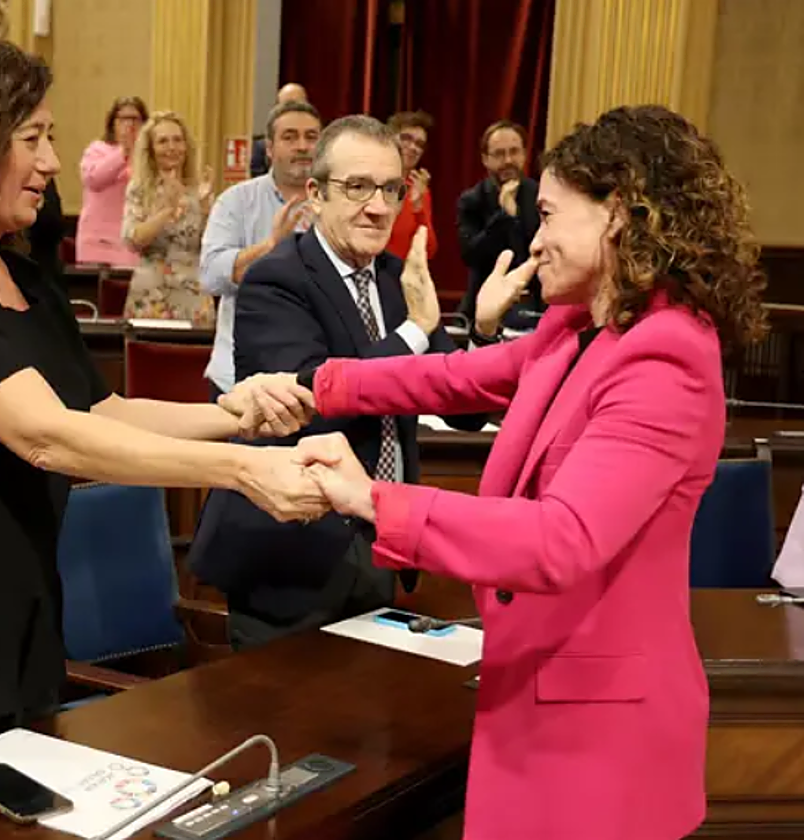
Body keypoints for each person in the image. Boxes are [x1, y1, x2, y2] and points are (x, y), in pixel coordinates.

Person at [0, 38, 327, 782]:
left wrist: (233, 413)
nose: (51, 161)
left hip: (15, 628)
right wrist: (242, 468)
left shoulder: (24, 280)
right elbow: (47, 436)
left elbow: (101, 408)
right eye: (32, 138)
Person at [289, 105, 767, 839]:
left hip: (601, 735)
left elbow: (561, 537)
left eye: (548, 216)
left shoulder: (666, 356)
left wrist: (372, 499)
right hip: (539, 695)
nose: (535, 241)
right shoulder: (578, 327)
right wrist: (316, 386)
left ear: (620, 216)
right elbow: (456, 377)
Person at [190, 116, 490, 650]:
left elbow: (465, 410)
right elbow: (313, 403)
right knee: (282, 725)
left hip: (380, 541)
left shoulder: (400, 279)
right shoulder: (276, 280)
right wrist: (414, 333)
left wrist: (483, 330)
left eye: (391, 189)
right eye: (356, 187)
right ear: (315, 194)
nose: (377, 206)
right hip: (293, 550)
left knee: (366, 724)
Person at [199, 99, 321, 399]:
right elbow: (211, 276)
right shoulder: (236, 202)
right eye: (290, 137)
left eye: (311, 137)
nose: (302, 146)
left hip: (316, 381)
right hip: (240, 380)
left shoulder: (339, 205)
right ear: (269, 148)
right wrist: (271, 248)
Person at [121, 111, 214, 325]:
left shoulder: (199, 188)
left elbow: (210, 246)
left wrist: (207, 209)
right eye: (163, 141)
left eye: (177, 140)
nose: (171, 147)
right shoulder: (139, 189)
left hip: (193, 294)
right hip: (151, 295)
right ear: (151, 150)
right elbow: (133, 239)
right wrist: (167, 211)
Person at [456, 119, 541, 334]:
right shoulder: (472, 200)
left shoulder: (541, 196)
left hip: (537, 307)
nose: (508, 160)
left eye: (514, 152)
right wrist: (504, 216)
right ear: (485, 159)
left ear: (524, 154)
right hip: (485, 307)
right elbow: (471, 255)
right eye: (499, 154)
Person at [76, 96, 147, 267]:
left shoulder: (147, 156)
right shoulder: (97, 149)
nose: (129, 124)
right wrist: (124, 152)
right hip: (98, 245)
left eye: (135, 119)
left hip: (132, 246)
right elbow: (94, 180)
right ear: (113, 122)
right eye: (123, 118)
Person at [384, 110, 436, 262]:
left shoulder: (420, 191)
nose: (413, 147)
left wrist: (418, 209)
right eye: (406, 138)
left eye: (419, 144)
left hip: (400, 277)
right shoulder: (371, 182)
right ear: (389, 139)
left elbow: (429, 250)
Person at [250, 82, 308, 177]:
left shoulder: (320, 145)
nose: (294, 110)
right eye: (288, 105)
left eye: (299, 105)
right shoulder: (260, 148)